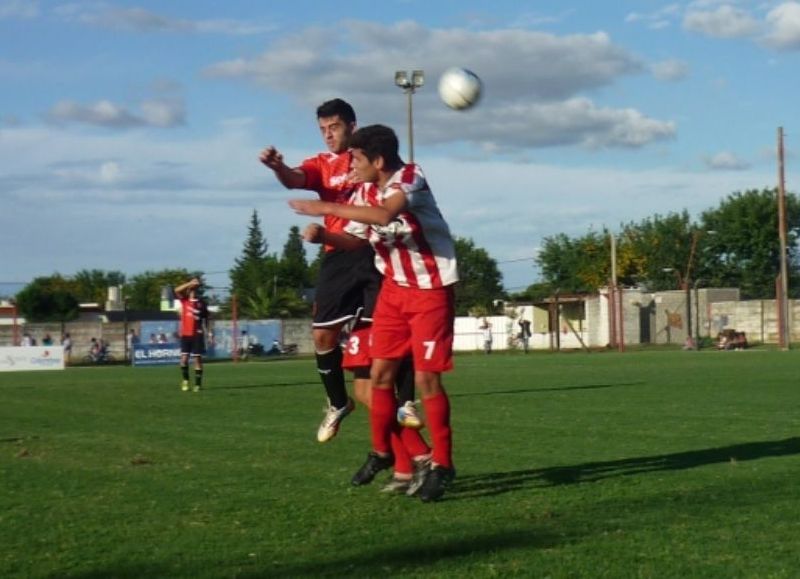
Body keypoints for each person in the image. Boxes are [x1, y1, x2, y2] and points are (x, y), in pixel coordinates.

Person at [290, 124, 459, 502]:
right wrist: (324, 236)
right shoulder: (365, 189)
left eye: (357, 159)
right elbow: (355, 238)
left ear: (378, 161)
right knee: (378, 375)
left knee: (428, 382)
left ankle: (443, 465)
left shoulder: (410, 177)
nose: (351, 165)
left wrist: (325, 206)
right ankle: (384, 452)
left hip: (430, 290)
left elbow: (385, 216)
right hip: (394, 292)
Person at [260, 98, 421, 443]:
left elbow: (398, 183)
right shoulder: (322, 164)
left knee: (393, 333)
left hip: (377, 251)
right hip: (339, 249)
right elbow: (294, 179)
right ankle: (337, 402)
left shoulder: (369, 156)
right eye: (322, 130)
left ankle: (407, 402)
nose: (328, 135)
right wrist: (278, 167)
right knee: (322, 335)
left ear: (351, 125)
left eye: (333, 127)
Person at [174, 277, 209, 392]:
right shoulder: (184, 300)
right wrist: (189, 282)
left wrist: (209, 332)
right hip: (186, 334)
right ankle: (185, 380)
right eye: (192, 285)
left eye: (196, 284)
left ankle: (198, 384)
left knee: (197, 359)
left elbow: (206, 319)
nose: (193, 287)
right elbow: (176, 290)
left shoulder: (201, 303)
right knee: (184, 359)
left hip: (197, 334)